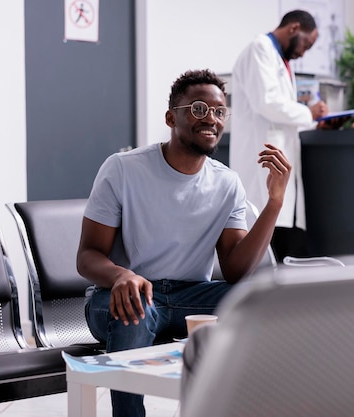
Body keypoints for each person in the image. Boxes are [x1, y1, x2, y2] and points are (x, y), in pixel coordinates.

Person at [76, 69, 291, 417]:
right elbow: (87, 256)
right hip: (119, 297)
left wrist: (274, 204)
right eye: (198, 109)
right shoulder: (123, 169)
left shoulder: (227, 183)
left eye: (219, 111)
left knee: (260, 303)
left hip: (190, 297)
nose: (211, 119)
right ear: (171, 117)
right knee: (136, 305)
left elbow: (236, 270)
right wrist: (120, 276)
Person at [230, 9, 328, 262]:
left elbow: (282, 112)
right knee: (263, 236)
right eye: (306, 43)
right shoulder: (259, 49)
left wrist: (315, 123)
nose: (304, 52)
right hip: (261, 158)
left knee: (280, 235)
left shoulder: (280, 59)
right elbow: (268, 103)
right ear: (294, 28)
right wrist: (309, 112)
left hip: (277, 157)